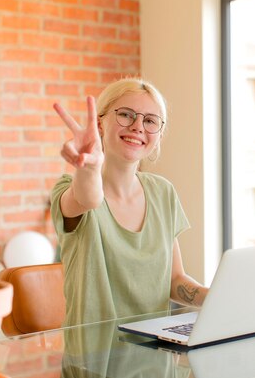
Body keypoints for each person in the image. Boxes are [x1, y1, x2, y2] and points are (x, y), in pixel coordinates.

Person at [50, 77, 208, 327]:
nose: (137, 127)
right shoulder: (69, 188)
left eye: (149, 120)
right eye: (125, 115)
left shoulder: (162, 192)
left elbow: (174, 280)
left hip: (156, 351)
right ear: (100, 124)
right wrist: (89, 168)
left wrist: (215, 298)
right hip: (95, 358)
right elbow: (89, 199)